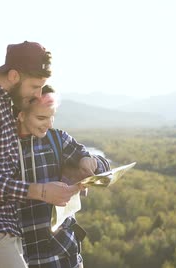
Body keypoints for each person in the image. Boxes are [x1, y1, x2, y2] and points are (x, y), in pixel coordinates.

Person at [0, 41, 82, 268]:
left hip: (1, 232)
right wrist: (40, 191)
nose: (37, 94)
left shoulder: (0, 105)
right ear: (13, 76)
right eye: (34, 86)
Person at [16, 85, 111, 268]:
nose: (50, 124)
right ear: (20, 114)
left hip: (65, 255)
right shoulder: (4, 148)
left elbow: (103, 166)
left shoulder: (57, 139)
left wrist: (89, 162)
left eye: (52, 116)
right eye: (41, 117)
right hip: (22, 257)